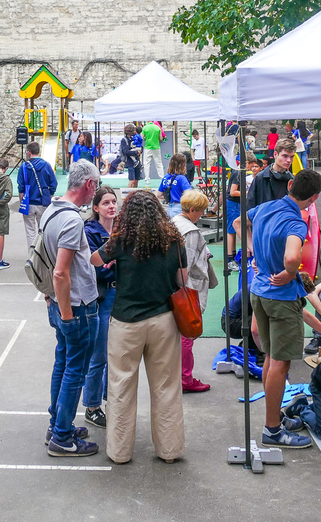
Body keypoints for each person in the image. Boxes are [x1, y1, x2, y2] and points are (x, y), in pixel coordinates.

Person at [92, 189, 186, 464]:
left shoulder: (120, 241)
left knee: (121, 386)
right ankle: (169, 450)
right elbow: (182, 280)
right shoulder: (173, 240)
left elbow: (94, 260)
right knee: (166, 387)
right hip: (164, 320)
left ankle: (120, 452)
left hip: (126, 321)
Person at [242, 168, 321, 449]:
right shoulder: (295, 222)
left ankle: (273, 415)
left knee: (270, 357)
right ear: (313, 198)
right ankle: (273, 430)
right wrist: (290, 273)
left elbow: (241, 222)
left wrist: (254, 250)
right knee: (280, 363)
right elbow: (292, 256)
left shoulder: (265, 207)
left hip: (259, 292)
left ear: (290, 185)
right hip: (281, 297)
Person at [42, 160, 102, 457]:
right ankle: (62, 437)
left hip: (60, 301)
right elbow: (60, 272)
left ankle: (58, 424)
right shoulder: (72, 220)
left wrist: (53, 300)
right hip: (75, 306)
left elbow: (46, 262)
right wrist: (67, 313)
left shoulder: (53, 210)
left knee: (63, 364)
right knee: (74, 370)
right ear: (89, 185)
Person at [171, 189, 218, 393]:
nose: (202, 215)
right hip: (188, 288)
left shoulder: (173, 222)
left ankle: (179, 376)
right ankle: (185, 378)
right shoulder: (190, 232)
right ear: (192, 210)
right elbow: (187, 263)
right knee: (187, 334)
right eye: (200, 211)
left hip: (176, 286)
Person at [82, 185, 118, 429]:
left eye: (114, 201)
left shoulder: (123, 230)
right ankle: (92, 406)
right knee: (99, 356)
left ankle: (111, 400)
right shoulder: (90, 231)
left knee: (117, 354)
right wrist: (112, 265)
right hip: (102, 297)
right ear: (96, 208)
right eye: (106, 202)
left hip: (121, 296)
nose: (112, 206)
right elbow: (92, 269)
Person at [17, 141, 57, 249]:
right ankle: (42, 255)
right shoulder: (47, 165)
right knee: (43, 230)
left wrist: (22, 202)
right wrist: (50, 195)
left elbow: (21, 187)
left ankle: (32, 256)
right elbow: (53, 183)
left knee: (30, 231)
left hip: (28, 202)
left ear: (29, 153)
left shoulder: (24, 167)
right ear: (38, 152)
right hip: (43, 203)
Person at [247, 136, 296, 208]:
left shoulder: (292, 180)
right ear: (275, 154)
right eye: (285, 156)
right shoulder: (260, 178)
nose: (289, 160)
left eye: (291, 157)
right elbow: (250, 206)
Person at [158, 153, 192, 218]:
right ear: (182, 165)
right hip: (179, 208)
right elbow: (189, 194)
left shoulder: (166, 177)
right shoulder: (181, 178)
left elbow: (159, 195)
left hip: (169, 209)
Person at [119, 123, 143, 188]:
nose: (135, 131)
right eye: (134, 130)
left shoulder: (135, 138)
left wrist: (140, 151)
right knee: (132, 180)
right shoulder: (124, 140)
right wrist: (136, 152)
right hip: (130, 162)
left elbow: (141, 146)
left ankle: (135, 193)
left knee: (136, 180)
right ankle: (127, 194)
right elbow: (126, 151)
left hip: (137, 161)